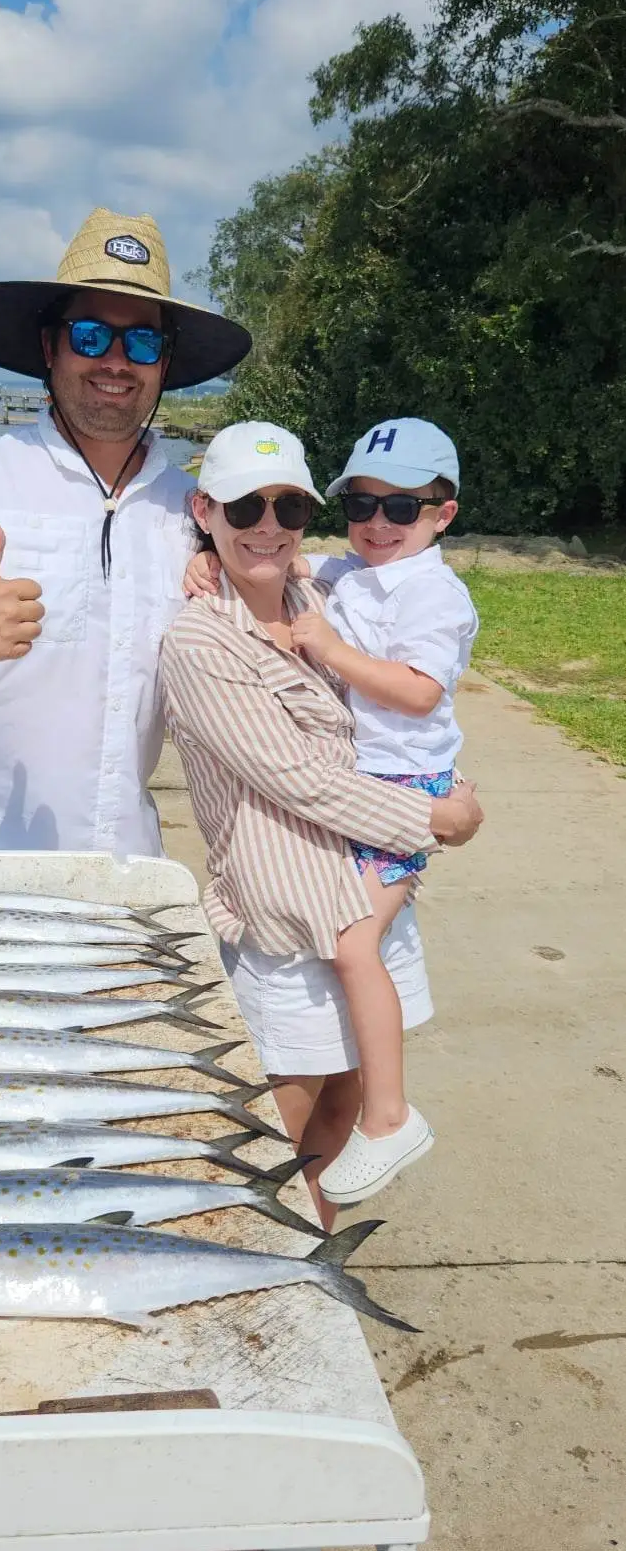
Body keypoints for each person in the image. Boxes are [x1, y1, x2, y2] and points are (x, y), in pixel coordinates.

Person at [0, 209, 250, 852]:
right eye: (91, 335)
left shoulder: (194, 510)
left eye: (143, 342)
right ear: (51, 347)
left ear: (165, 362)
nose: (116, 360)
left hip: (121, 849)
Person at [161, 421, 483, 1226]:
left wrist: (432, 801)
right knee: (272, 1136)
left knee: (343, 1104)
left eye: (289, 507)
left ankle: (315, 1251)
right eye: (244, 508)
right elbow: (295, 779)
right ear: (204, 509)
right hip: (294, 910)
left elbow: (408, 693)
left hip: (365, 875)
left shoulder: (316, 596)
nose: (268, 526)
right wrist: (437, 818)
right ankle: (261, 1258)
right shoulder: (200, 641)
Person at [290, 419, 479, 1204]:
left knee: (352, 942)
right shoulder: (355, 569)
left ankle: (388, 1116)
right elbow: (290, 560)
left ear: (442, 514)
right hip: (364, 781)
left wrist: (330, 651)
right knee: (350, 937)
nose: (376, 523)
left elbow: (419, 691)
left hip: (404, 789)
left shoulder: (433, 592)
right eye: (360, 504)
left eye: (400, 508)